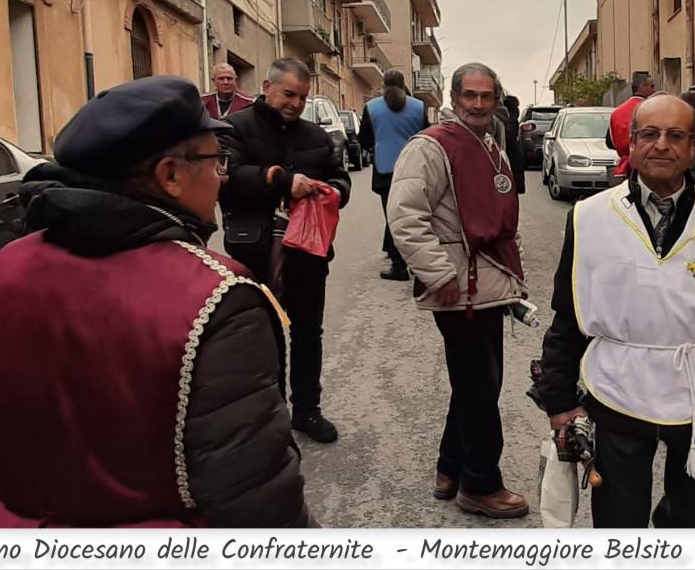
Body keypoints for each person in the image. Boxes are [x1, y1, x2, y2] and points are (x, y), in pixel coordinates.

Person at [0, 76, 314, 528]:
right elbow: (255, 492)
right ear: (170, 175)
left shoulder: (0, 269)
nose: (221, 176)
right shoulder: (217, 294)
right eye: (216, 161)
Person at [537, 93, 695, 528]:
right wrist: (558, 399)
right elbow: (568, 314)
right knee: (618, 514)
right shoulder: (590, 217)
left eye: (676, 135)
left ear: (694, 148)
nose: (661, 145)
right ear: (631, 145)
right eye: (649, 134)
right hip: (617, 385)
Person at [387, 62, 529, 519]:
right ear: (454, 97)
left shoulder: (492, 148)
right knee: (479, 388)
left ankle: (450, 469)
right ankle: (480, 484)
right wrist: (438, 272)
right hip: (459, 289)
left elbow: (505, 221)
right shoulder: (429, 148)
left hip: (487, 284)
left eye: (487, 96)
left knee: (474, 383)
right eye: (470, 95)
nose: (479, 104)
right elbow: (406, 217)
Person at [219, 58, 351, 444]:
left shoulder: (317, 136)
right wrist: (281, 181)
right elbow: (227, 181)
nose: (295, 103)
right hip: (253, 250)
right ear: (267, 87)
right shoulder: (235, 128)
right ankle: (269, 415)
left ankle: (307, 411)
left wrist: (337, 191)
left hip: (308, 252)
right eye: (288, 94)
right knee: (262, 335)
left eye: (302, 97)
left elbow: (339, 176)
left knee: (309, 332)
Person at [359, 69, 427, 281]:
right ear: (403, 83)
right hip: (414, 168)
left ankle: (398, 267)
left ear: (384, 84)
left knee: (393, 218)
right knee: (415, 216)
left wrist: (378, 145)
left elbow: (364, 140)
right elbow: (426, 135)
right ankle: (418, 264)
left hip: (385, 169)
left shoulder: (372, 108)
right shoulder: (418, 106)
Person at [606, 71, 656, 178]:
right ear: (642, 87)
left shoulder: (616, 113)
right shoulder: (653, 110)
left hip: (624, 170)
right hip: (649, 168)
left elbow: (610, 142)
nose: (654, 90)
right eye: (651, 86)